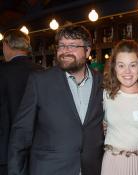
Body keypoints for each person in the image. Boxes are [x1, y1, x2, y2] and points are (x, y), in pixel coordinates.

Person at [8, 25, 104, 175]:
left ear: (87, 50)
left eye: (72, 45)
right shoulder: (39, 81)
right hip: (50, 169)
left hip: (92, 169)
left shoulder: (103, 82)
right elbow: (21, 134)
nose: (65, 51)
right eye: (61, 46)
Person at [101, 40, 138, 175]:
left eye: (133, 65)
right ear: (114, 68)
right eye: (121, 65)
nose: (127, 71)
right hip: (113, 165)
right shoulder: (106, 95)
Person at [0, 29, 43, 175]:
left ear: (7, 45)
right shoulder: (42, 72)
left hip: (5, 152)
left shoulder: (2, 72)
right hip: (37, 150)